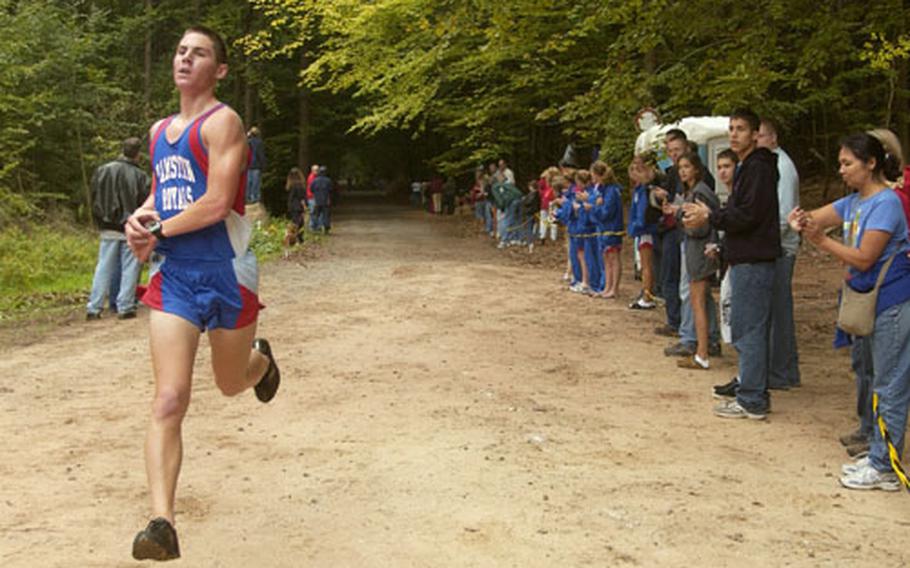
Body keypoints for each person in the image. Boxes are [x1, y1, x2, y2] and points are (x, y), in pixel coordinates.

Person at [123, 26, 281, 560]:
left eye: (201, 53)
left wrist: (159, 231)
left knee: (231, 383)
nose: (186, 59)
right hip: (177, 279)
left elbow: (215, 202)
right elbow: (162, 191)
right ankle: (161, 523)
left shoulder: (224, 122)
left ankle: (260, 363)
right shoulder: (159, 130)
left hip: (227, 271)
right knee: (169, 398)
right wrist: (140, 220)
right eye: (181, 51)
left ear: (220, 70)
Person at [789, 133, 910, 491]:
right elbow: (818, 216)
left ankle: (885, 466)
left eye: (847, 164)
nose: (841, 170)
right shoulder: (855, 202)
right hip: (870, 303)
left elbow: (864, 257)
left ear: (870, 163)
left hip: (891, 303)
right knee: (875, 379)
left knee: (889, 383)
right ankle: (877, 455)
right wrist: (803, 220)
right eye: (839, 163)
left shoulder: (886, 203)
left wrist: (821, 240)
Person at [683, 108, 780, 420]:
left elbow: (750, 215)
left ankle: (752, 398)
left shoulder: (759, 168)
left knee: (749, 328)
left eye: (741, 129)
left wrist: (711, 215)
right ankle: (749, 385)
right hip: (743, 256)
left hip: (754, 260)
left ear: (755, 134)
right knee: (743, 326)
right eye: (731, 128)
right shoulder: (749, 167)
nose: (735, 134)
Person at [757, 118, 801, 389]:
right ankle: (781, 369)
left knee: (779, 310)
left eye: (760, 136)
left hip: (780, 249)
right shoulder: (770, 165)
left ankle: (783, 372)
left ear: (773, 138)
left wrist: (766, 245)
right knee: (774, 310)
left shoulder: (783, 168)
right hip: (775, 246)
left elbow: (785, 215)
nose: (756, 140)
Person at [86, 137, 150, 320]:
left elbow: (94, 196)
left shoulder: (102, 171)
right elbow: (145, 203)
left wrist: (100, 219)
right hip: (131, 226)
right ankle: (125, 306)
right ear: (138, 154)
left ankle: (94, 307)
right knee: (131, 267)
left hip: (107, 226)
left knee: (103, 267)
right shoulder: (140, 176)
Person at [669, 152, 720, 370]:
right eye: (680, 167)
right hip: (695, 251)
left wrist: (682, 218)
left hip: (699, 252)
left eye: (687, 167)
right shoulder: (692, 191)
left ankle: (702, 353)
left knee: (697, 302)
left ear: (696, 169)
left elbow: (701, 226)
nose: (683, 171)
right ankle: (707, 344)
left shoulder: (700, 192)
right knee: (701, 300)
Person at [627, 153, 661, 310]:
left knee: (647, 265)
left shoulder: (647, 190)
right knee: (644, 265)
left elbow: (644, 214)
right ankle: (645, 292)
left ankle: (648, 296)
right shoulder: (639, 190)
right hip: (640, 231)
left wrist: (636, 227)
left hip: (646, 231)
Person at [591, 161, 623, 298]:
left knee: (613, 257)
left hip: (612, 228)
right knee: (606, 257)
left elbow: (606, 213)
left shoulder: (612, 190)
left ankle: (614, 288)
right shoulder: (604, 190)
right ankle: (607, 287)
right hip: (605, 228)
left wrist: (596, 207)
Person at [286, 167, 307, 243]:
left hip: (293, 206)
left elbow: (290, 198)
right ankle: (299, 238)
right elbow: (303, 196)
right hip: (298, 206)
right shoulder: (300, 185)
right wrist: (305, 205)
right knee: (300, 223)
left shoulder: (290, 186)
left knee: (295, 223)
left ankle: (294, 239)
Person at [245, 126, 266, 203]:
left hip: (247, 165)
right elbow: (260, 155)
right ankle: (255, 197)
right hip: (256, 165)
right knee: (256, 183)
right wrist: (263, 165)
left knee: (248, 183)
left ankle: (248, 198)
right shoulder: (259, 143)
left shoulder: (247, 142)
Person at [310, 165, 333, 233]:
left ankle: (315, 227)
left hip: (317, 200)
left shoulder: (315, 181)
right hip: (325, 200)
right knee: (326, 215)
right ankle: (326, 228)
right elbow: (331, 190)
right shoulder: (328, 180)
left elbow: (311, 189)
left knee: (315, 214)